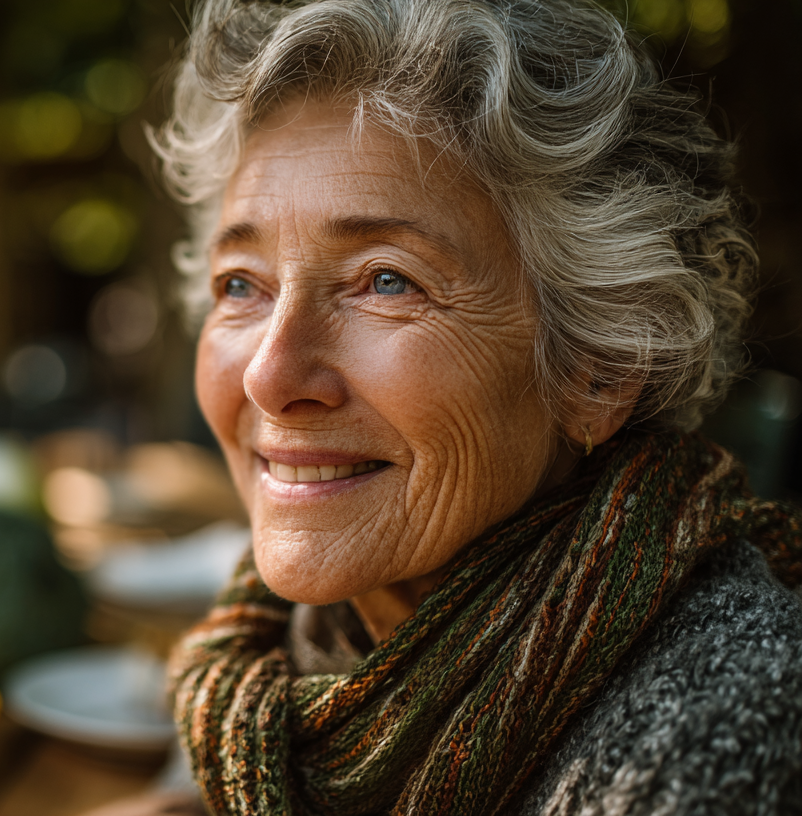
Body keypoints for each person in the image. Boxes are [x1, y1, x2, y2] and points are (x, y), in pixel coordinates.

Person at [97, 0, 802, 814]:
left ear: (603, 367)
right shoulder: (290, 653)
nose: (268, 375)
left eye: (386, 280)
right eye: (241, 285)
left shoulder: (708, 734)